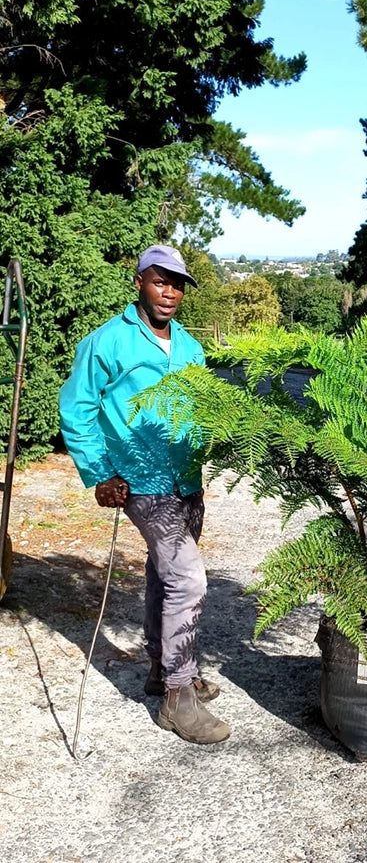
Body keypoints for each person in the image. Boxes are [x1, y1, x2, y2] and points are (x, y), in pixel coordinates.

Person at [59, 244, 230, 745]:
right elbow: (77, 409)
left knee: (165, 574)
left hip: (186, 479)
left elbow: (201, 408)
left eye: (178, 285)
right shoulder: (107, 343)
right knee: (190, 578)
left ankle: (163, 667)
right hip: (139, 481)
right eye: (161, 281)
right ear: (139, 281)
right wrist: (98, 475)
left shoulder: (191, 348)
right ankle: (177, 698)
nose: (170, 293)